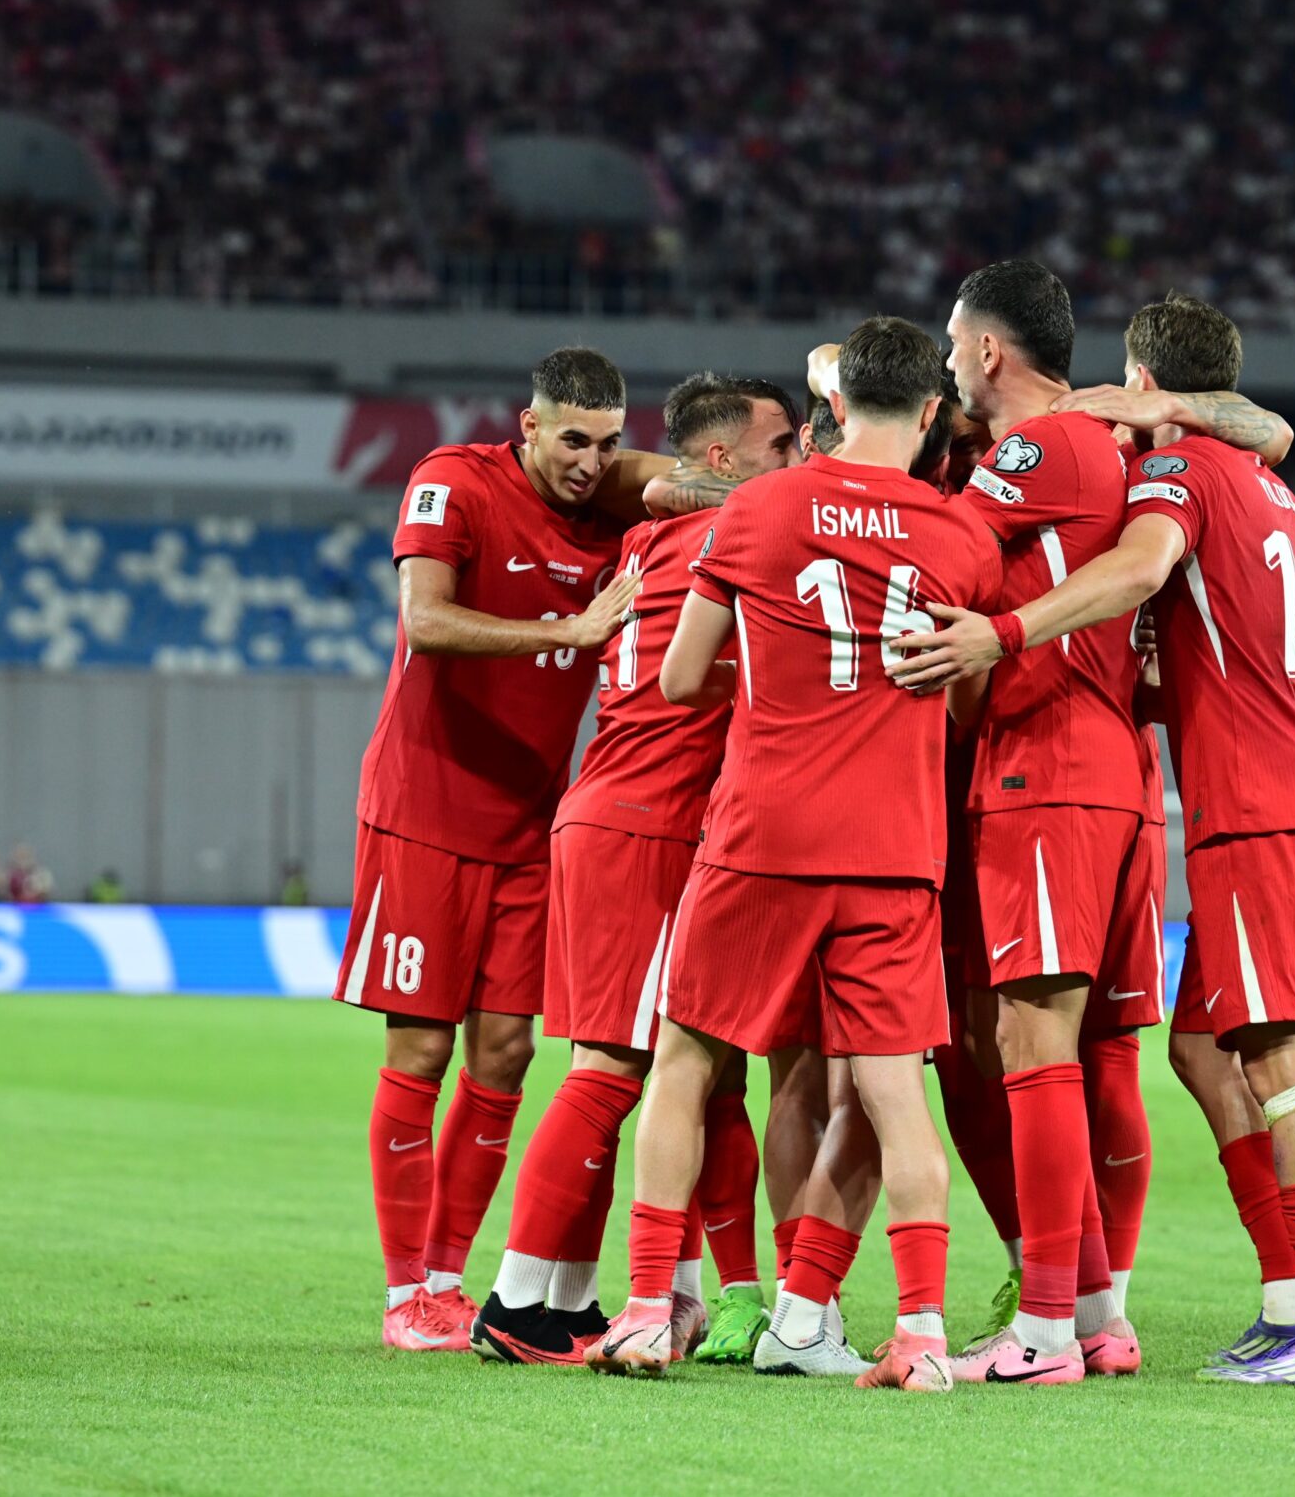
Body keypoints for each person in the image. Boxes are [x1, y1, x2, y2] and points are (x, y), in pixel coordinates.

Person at [893, 292, 1295, 1383]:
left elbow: (1141, 567)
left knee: (1279, 1063)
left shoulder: (1180, 476)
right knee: (1202, 1053)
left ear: (1148, 385)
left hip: (1252, 802)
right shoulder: (1273, 487)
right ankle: (1290, 1299)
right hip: (1271, 789)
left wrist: (1002, 632)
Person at [592, 315, 1001, 1392]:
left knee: (684, 1067)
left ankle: (643, 1311)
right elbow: (963, 695)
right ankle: (918, 1333)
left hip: (759, 835)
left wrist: (783, 683)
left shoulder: (759, 507)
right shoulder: (960, 536)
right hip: (892, 847)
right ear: (926, 413)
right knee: (892, 1095)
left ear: (830, 411)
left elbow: (681, 681)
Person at [340, 346, 697, 1354]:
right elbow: (425, 619)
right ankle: (405, 1290)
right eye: (571, 439)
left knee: (506, 1052)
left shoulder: (613, 500)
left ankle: (451, 1284)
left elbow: (683, 482)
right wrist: (573, 630)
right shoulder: (453, 480)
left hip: (531, 826)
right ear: (528, 426)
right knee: (421, 1047)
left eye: (608, 443)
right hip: (422, 810)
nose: (590, 462)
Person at [474, 371, 804, 1368]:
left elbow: (648, 494)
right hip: (649, 832)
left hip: (610, 818)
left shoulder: (648, 537)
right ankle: (516, 1300)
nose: (794, 462)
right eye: (780, 446)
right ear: (721, 460)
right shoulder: (729, 539)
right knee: (613, 1069)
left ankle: (642, 1295)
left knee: (697, 1077)